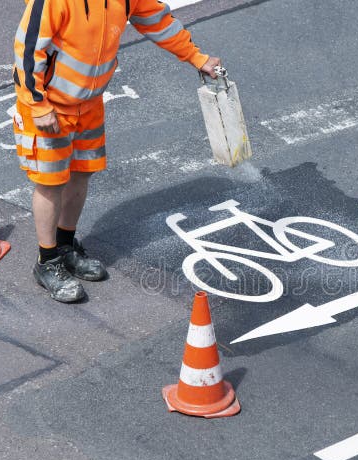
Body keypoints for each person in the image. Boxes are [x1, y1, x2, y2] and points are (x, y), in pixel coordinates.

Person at [12, 0, 221, 302]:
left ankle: (66, 245)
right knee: (50, 181)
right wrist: (37, 104)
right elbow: (28, 49)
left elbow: (157, 21)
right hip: (50, 107)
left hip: (90, 104)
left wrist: (196, 58)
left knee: (82, 174)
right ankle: (47, 262)